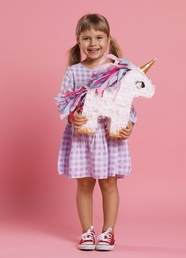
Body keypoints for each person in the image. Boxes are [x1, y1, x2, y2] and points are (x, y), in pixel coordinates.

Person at [56, 13, 137, 251]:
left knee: (109, 183)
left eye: (99, 37)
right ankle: (87, 232)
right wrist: (73, 115)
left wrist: (129, 125)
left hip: (109, 136)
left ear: (109, 39)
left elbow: (128, 104)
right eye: (87, 38)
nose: (93, 43)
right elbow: (63, 102)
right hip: (84, 138)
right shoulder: (74, 72)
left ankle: (108, 232)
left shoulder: (119, 71)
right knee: (84, 184)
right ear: (78, 41)